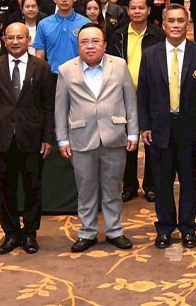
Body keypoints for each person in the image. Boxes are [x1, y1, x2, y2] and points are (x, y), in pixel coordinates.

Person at [54, 23, 138, 253]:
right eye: (84, 42)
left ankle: (114, 231)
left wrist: (133, 132)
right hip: (81, 138)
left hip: (115, 136)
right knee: (86, 190)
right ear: (78, 45)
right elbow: (61, 108)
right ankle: (87, 232)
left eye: (95, 41)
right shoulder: (66, 70)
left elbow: (130, 101)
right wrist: (62, 139)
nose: (90, 46)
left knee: (113, 188)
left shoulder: (119, 66)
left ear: (104, 44)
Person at [137, 4, 196, 249]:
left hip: (189, 126)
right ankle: (165, 228)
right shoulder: (150, 53)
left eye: (181, 21)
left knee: (188, 181)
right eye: (171, 21)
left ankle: (188, 229)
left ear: (187, 23)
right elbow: (143, 93)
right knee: (162, 182)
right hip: (159, 127)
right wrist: (144, 125)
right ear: (163, 24)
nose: (176, 25)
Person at [0, 23, 54, 255]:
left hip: (32, 138)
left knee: (33, 189)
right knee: (6, 189)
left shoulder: (42, 67)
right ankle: (11, 233)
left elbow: (48, 107)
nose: (15, 42)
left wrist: (48, 137)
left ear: (28, 39)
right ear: (4, 40)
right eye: (10, 38)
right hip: (2, 138)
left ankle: (30, 233)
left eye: (19, 37)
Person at [107, 0, 165, 203]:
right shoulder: (118, 35)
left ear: (149, 10)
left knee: (151, 141)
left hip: (151, 95)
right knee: (127, 142)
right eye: (133, 8)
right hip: (123, 95)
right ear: (128, 11)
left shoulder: (158, 34)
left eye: (141, 8)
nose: (137, 11)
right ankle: (129, 185)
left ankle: (151, 185)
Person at [33, 0, 91, 75]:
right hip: (52, 76)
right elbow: (39, 57)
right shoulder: (43, 24)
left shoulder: (86, 23)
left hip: (80, 75)